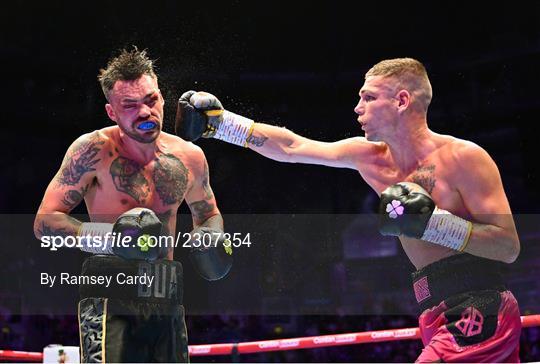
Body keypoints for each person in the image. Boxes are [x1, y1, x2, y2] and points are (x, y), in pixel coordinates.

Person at [176, 58, 522, 362]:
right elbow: (294, 147)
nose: (357, 108)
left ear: (402, 101)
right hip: (435, 310)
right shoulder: (370, 158)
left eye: (369, 98)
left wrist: (435, 225)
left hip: (481, 308)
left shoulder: (463, 159)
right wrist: (223, 126)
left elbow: (507, 247)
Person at [33, 47, 232, 363]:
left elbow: (207, 213)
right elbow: (45, 223)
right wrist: (111, 239)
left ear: (163, 99)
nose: (144, 112)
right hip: (111, 293)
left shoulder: (190, 157)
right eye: (130, 105)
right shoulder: (92, 152)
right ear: (112, 111)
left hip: (167, 294)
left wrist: (212, 237)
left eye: (151, 100)